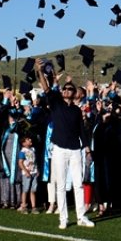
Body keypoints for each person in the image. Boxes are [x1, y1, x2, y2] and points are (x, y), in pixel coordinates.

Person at [37, 59, 94, 229]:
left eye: (71, 89)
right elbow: (46, 87)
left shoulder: (77, 110)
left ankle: (81, 216)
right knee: (60, 185)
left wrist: (86, 146)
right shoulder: (56, 103)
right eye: (66, 88)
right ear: (62, 92)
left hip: (75, 150)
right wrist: (40, 71)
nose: (68, 90)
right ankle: (63, 218)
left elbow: (81, 131)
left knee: (78, 185)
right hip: (59, 149)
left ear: (75, 93)